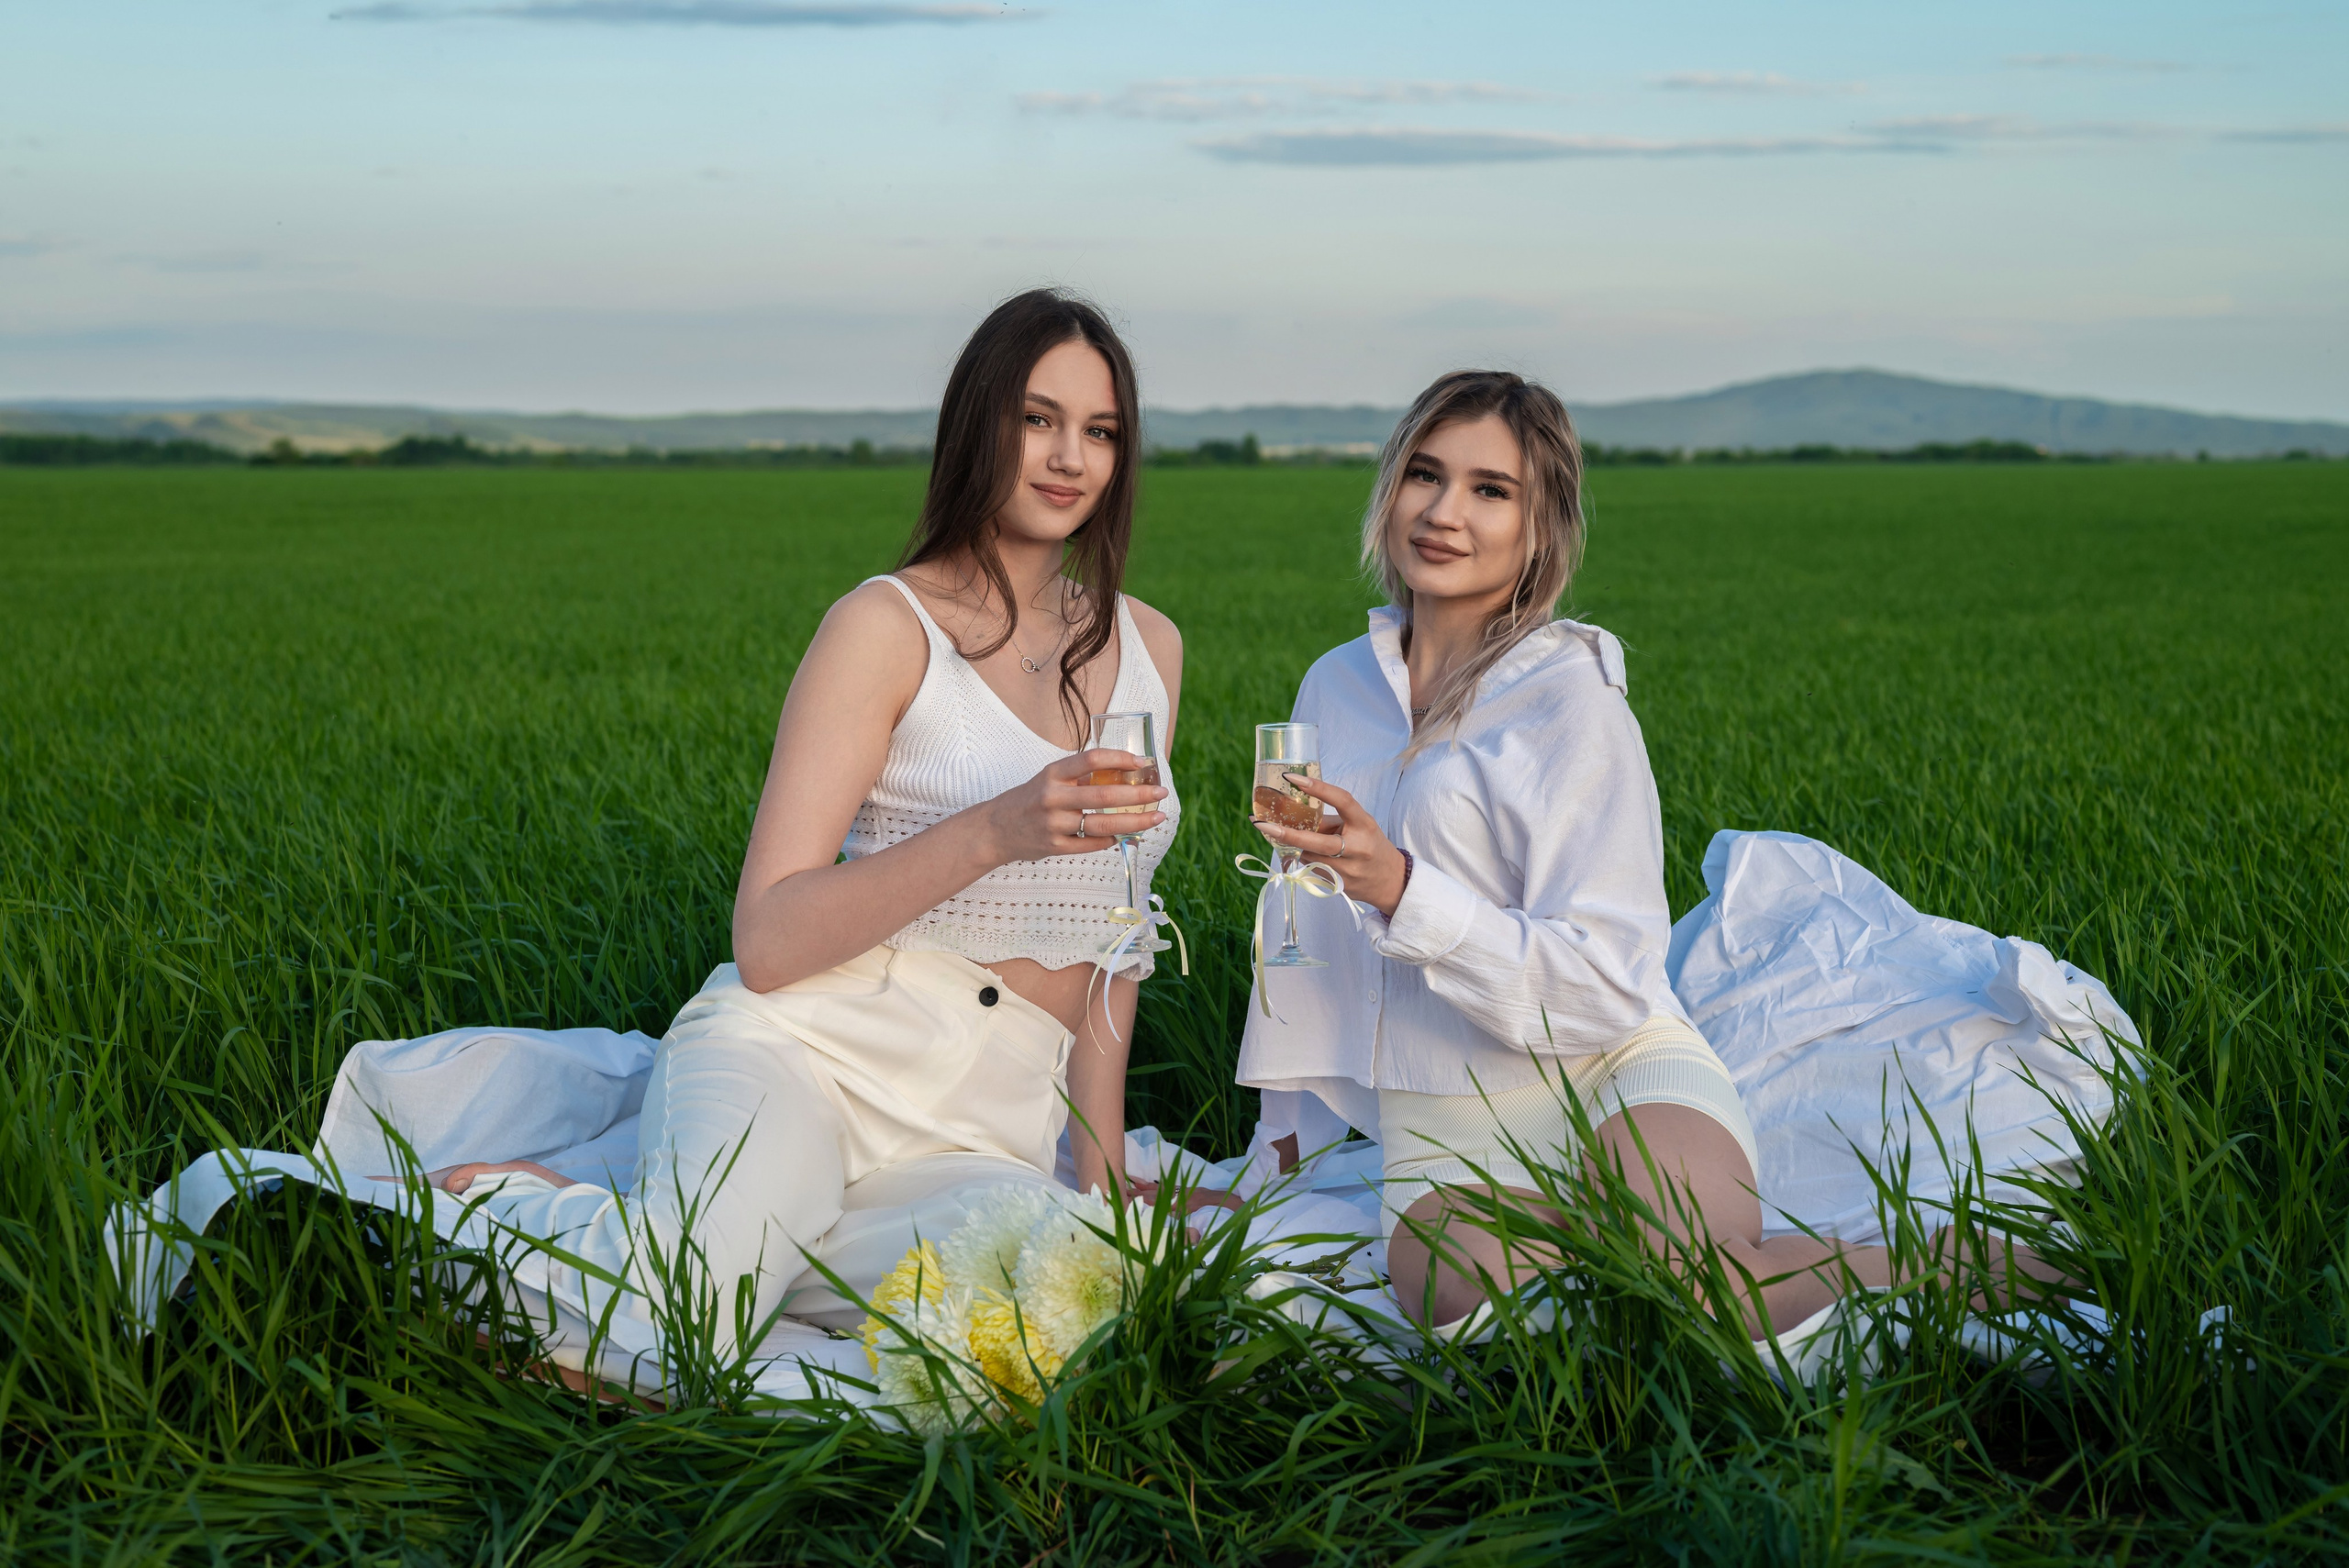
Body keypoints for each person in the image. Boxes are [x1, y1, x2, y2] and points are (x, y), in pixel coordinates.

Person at [418, 287, 1185, 1354]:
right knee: (695, 1306)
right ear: (978, 423)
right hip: (812, 1052)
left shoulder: (1146, 645)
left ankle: (724, 1238)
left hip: (984, 1125)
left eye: (1099, 431)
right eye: (1036, 418)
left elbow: (1114, 942)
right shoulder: (883, 624)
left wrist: (1102, 1180)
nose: (1069, 457)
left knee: (1069, 1294)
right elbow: (769, 939)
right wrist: (995, 829)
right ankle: (513, 1203)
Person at [1237, 370, 2059, 1334]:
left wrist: (1404, 889)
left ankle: (1986, 1267)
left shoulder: (1571, 699)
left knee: (1695, 1284)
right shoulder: (1333, 686)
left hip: (1615, 1071)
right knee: (1454, 1284)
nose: (1444, 511)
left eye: (1490, 489)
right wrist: (1276, 1149)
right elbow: (1300, 927)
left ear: (1539, 529)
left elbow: (1609, 980)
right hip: (1445, 1130)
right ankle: (1706, 1258)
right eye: (1426, 474)